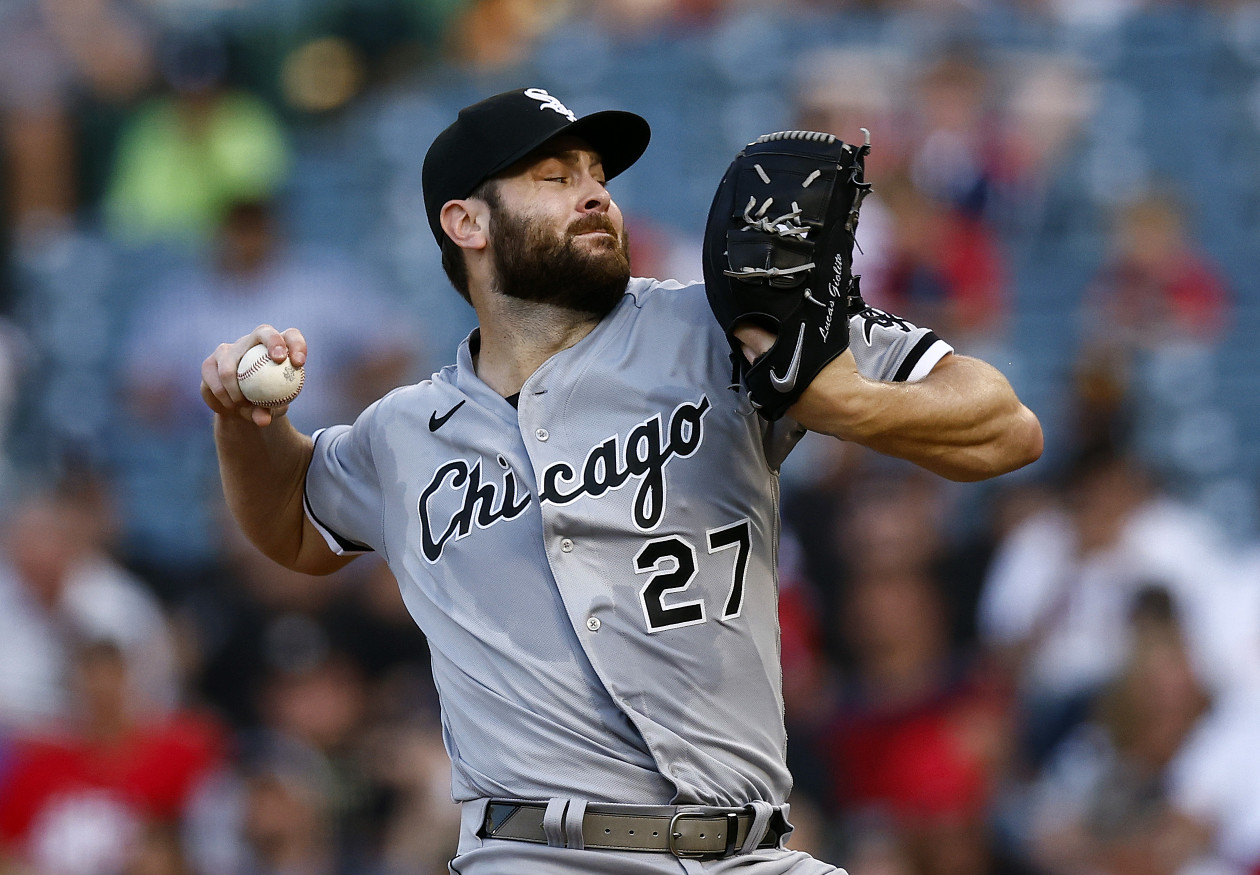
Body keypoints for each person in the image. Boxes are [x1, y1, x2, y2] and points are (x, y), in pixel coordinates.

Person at [200, 87, 1042, 873]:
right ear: (466, 221)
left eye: (599, 175)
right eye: (554, 176)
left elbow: (1005, 425)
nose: (596, 192)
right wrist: (246, 426)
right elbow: (294, 525)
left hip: (746, 847)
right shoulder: (403, 432)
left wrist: (839, 399)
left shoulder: (717, 325)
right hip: (533, 853)